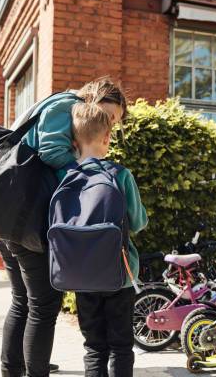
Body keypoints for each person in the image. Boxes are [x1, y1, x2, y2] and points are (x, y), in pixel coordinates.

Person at [0, 77, 127, 377]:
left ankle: (14, 369)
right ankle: (32, 370)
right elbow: (52, 151)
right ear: (97, 97)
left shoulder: (61, 105)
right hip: (25, 220)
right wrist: (88, 177)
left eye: (114, 123)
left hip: (12, 215)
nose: (109, 125)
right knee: (43, 305)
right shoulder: (68, 104)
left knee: (23, 301)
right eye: (110, 116)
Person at [69, 95, 147, 377]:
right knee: (121, 346)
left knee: (93, 347)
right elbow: (137, 222)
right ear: (107, 138)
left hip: (81, 277)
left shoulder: (66, 176)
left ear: (75, 141)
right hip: (119, 275)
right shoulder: (121, 174)